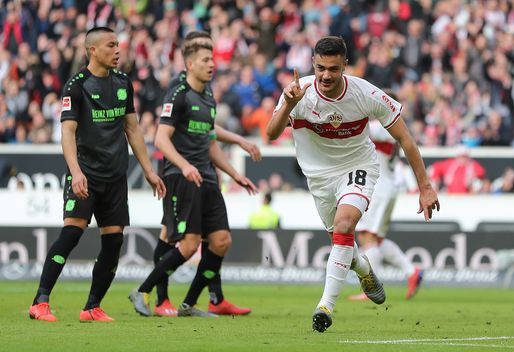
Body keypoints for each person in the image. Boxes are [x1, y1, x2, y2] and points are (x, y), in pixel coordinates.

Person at [267, 36, 439, 333]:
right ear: (313, 64)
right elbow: (271, 133)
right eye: (321, 68)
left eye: (333, 68)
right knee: (341, 240)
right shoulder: (298, 92)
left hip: (357, 167)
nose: (326, 75)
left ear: (345, 65)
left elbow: (406, 139)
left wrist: (425, 186)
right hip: (319, 179)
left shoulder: (365, 93)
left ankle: (325, 306)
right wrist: (288, 106)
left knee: (345, 225)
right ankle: (363, 268)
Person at [28, 27, 166, 322]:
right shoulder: (76, 86)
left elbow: (133, 129)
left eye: (118, 45)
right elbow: (67, 132)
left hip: (115, 177)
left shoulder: (123, 83)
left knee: (114, 240)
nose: (118, 50)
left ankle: (92, 307)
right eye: (111, 45)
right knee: (72, 232)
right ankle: (40, 301)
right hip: (86, 174)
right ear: (92, 50)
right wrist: (75, 171)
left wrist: (149, 171)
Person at [129, 32, 257, 318]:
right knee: (184, 243)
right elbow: (161, 139)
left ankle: (188, 304)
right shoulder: (178, 92)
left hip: (207, 177)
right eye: (206, 59)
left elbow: (209, 140)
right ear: (189, 63)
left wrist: (235, 172)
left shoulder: (209, 96)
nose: (212, 64)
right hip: (183, 177)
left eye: (213, 58)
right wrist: (185, 166)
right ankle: (147, 291)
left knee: (221, 240)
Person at [347, 110, 424, 302]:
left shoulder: (383, 127)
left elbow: (360, 127)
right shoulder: (391, 130)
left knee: (367, 237)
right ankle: (411, 271)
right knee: (377, 239)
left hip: (379, 189)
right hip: (386, 187)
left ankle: (372, 286)